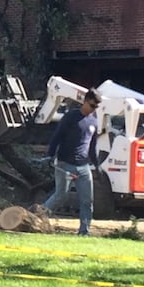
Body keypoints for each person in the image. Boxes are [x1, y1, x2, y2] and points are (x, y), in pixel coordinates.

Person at [43, 88, 102, 236]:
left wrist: (97, 166)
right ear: (85, 101)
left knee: (87, 200)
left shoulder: (94, 121)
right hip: (65, 164)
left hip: (83, 166)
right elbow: (57, 136)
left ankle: (84, 231)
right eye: (92, 105)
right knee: (60, 195)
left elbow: (92, 146)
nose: (93, 109)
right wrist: (50, 155)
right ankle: (38, 216)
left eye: (96, 107)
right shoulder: (71, 117)